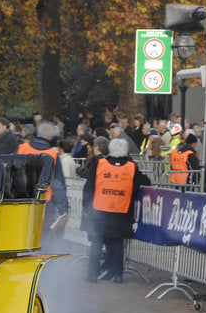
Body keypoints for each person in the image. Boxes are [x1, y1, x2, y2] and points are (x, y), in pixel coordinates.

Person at [81, 137, 150, 283]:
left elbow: (89, 187)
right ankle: (117, 274)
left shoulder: (100, 164)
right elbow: (144, 183)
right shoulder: (131, 167)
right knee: (117, 243)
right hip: (122, 211)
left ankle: (92, 274)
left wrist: (86, 206)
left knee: (97, 242)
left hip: (99, 210)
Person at [18, 121, 70, 240]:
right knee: (42, 240)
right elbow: (58, 186)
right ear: (53, 137)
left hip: (20, 201)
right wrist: (64, 210)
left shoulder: (21, 149)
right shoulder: (53, 154)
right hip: (44, 204)